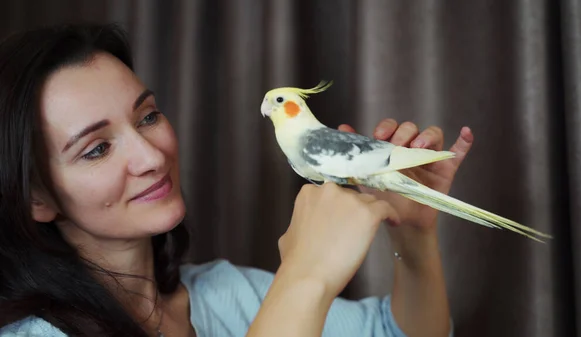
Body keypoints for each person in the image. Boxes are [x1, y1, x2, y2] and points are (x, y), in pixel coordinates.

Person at [0, 23, 472, 337]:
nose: (150, 155)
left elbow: (394, 334)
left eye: (147, 116)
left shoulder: (221, 293)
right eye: (97, 148)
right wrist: (306, 276)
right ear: (37, 199)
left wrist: (414, 235)